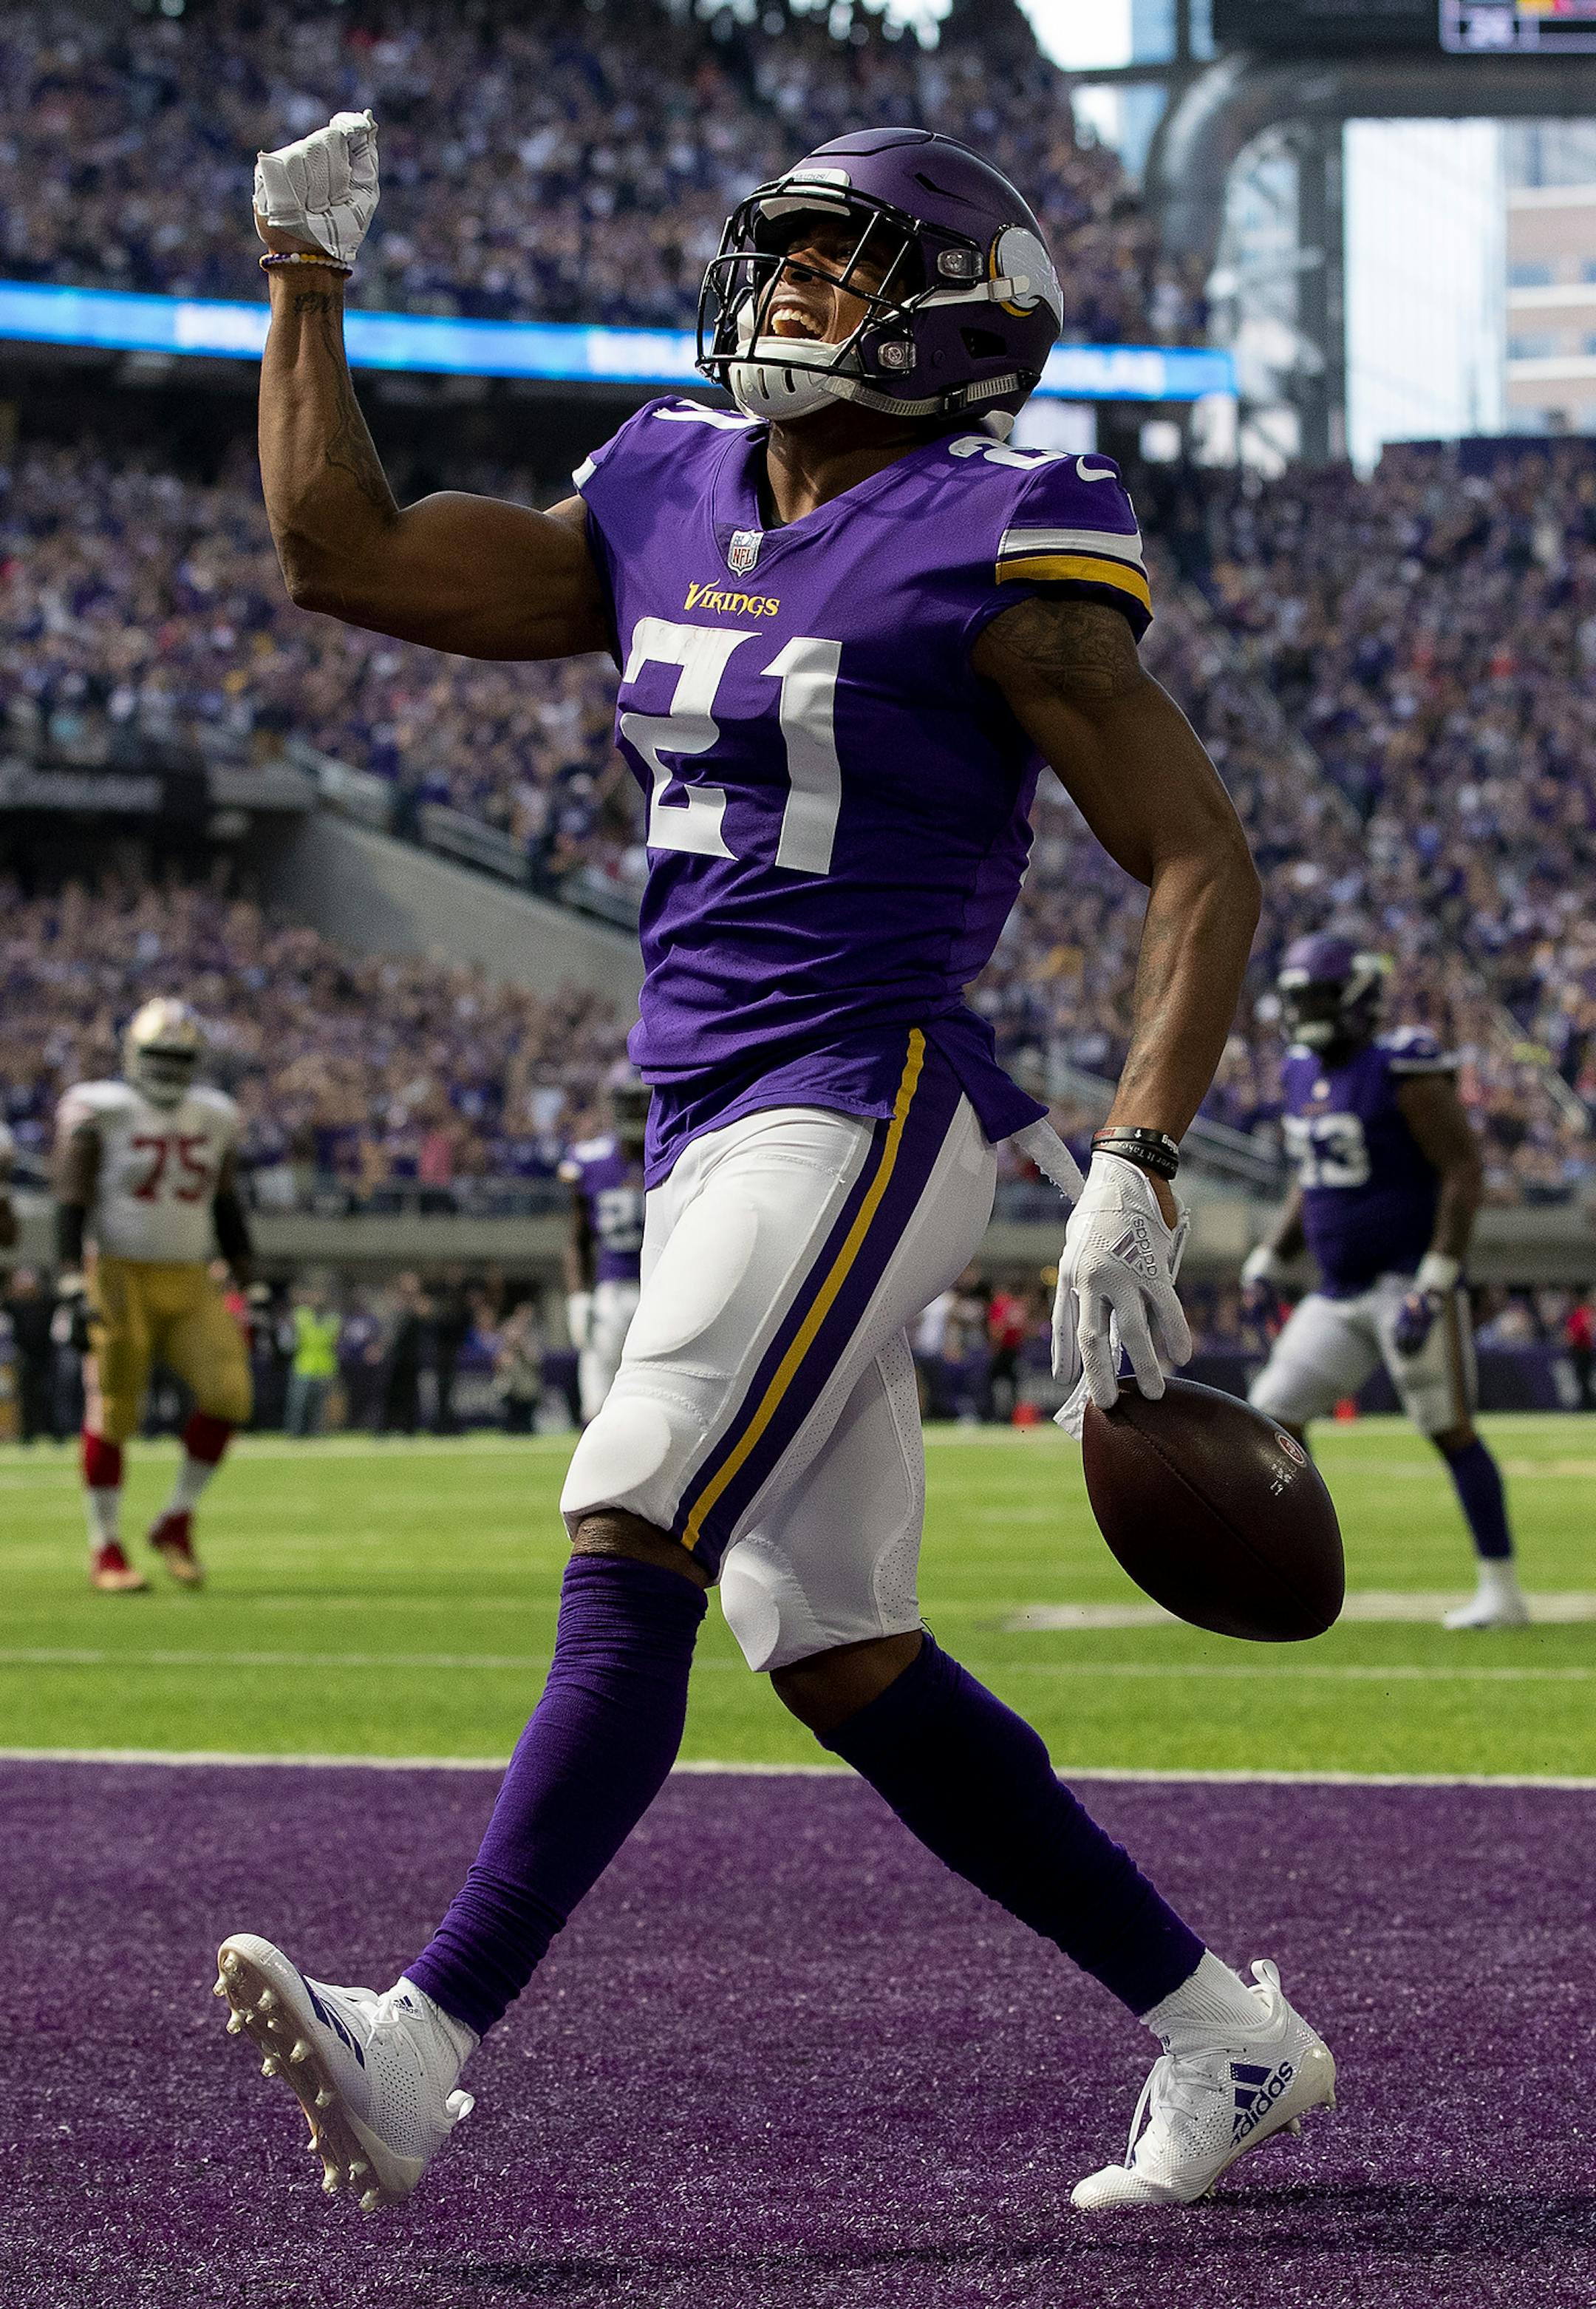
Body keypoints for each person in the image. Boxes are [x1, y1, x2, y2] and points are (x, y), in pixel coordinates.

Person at [216, 116, 1333, 2220]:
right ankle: (1227, 2032)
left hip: (867, 1086)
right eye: (786, 256)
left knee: (632, 1502)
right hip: (702, 1111)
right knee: (832, 1639)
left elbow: (1199, 860)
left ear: (962, 309)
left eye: (847, 262)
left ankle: (423, 2042)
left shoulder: (1003, 533)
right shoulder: (661, 482)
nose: (796, 291)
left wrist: (1138, 1155)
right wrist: (301, 277)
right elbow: (343, 555)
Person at [1242, 935, 1527, 1631]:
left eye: (1318, 998)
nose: (1306, 1013)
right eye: (1299, 998)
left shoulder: (1405, 1068)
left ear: (1357, 1001)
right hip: (1337, 1292)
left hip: (1408, 1284)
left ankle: (1502, 1590)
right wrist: (1274, 1255)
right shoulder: (1299, 1072)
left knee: (1448, 1429)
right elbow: (1315, 1179)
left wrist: (1437, 1277)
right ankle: (1294, 1567)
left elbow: (1464, 1170)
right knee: (1268, 1420)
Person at [54, 998, 253, 1592]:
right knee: (114, 1408)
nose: (168, 1069)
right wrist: (69, 1275)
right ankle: (105, 1547)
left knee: (229, 1393)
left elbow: (225, 1203)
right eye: (159, 1056)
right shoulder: (102, 1109)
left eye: (179, 1057)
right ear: (133, 1055)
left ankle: (175, 1519)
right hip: (118, 1272)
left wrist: (253, 1278)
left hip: (192, 1273)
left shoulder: (215, 1114)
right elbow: (72, 1198)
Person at [559, 1077, 648, 1422]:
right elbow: (577, 1236)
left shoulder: (672, 1151)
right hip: (612, 1287)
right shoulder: (591, 1161)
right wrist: (577, 1295)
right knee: (599, 1392)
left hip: (659, 1285)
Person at [3, 1265, 59, 1443]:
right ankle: (28, 1435)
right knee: (27, 1396)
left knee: (50, 1394)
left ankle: (54, 1432)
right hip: (25, 1357)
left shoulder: (47, 1303)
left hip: (47, 1355)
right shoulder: (14, 1305)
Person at [286, 1282, 341, 1438]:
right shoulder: (300, 1314)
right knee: (298, 1405)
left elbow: (336, 1342)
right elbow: (290, 1339)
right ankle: (295, 1435)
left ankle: (317, 1435)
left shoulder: (332, 1317)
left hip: (324, 1367)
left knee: (320, 1406)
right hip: (303, 1365)